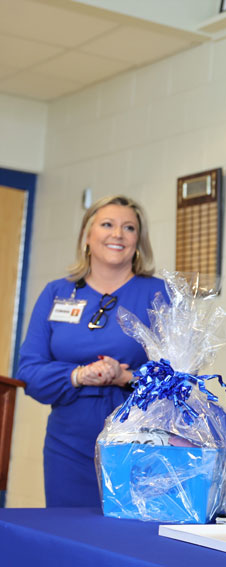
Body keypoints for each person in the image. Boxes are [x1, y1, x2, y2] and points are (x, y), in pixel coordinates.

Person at [18, 195, 166, 507]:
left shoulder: (157, 294)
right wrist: (78, 375)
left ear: (138, 241)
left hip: (138, 444)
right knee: (67, 542)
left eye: (129, 228)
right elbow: (29, 373)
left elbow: (180, 377)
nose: (118, 234)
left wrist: (125, 376)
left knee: (124, 545)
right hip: (67, 446)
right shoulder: (57, 292)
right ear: (87, 235)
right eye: (107, 224)